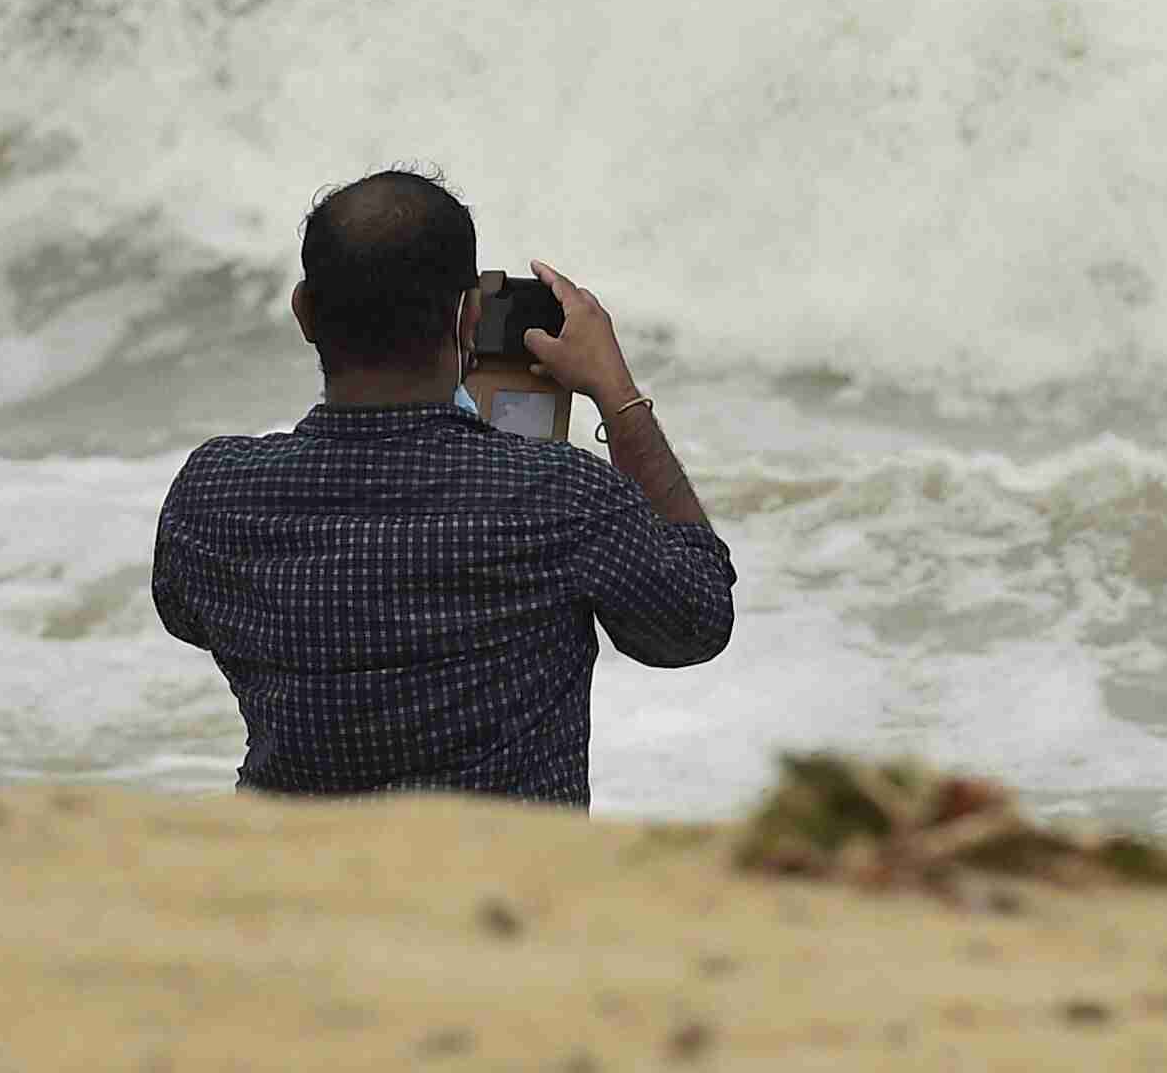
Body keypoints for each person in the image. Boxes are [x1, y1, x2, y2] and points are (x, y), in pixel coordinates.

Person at [151, 167, 735, 808]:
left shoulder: (212, 497)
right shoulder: (561, 500)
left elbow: (187, 616)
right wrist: (619, 398)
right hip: (495, 898)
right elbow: (693, 625)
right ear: (470, 318)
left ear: (305, 312)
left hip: (290, 889)